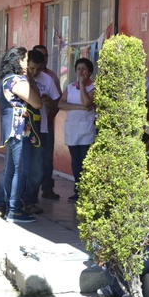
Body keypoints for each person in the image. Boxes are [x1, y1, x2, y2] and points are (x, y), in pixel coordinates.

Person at [97, 154, 149, 297]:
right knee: (99, 244)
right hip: (125, 245)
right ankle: (127, 292)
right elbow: (115, 224)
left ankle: (116, 288)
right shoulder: (126, 194)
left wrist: (139, 244)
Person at [0, 47, 42, 223]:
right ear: (17, 61)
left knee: (10, 169)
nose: (27, 64)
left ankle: (3, 204)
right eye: (25, 59)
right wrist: (29, 81)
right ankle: (14, 210)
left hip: (11, 130)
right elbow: (36, 102)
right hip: (19, 130)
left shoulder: (5, 79)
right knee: (20, 170)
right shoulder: (17, 80)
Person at [23, 49, 60, 214]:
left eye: (38, 69)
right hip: (22, 129)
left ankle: (31, 200)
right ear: (27, 64)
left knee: (38, 167)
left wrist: (49, 102)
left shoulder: (48, 80)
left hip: (41, 129)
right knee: (22, 165)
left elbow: (56, 103)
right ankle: (15, 200)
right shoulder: (20, 79)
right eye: (31, 68)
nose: (34, 72)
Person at [58, 58, 95, 202]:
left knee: (85, 161)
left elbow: (87, 102)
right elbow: (61, 104)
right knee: (76, 161)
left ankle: (86, 191)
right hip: (72, 129)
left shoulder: (94, 87)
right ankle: (78, 190)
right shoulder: (70, 87)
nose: (81, 72)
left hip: (86, 128)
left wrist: (82, 85)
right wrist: (79, 107)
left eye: (84, 69)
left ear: (90, 72)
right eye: (78, 69)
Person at [34, 44, 62, 200]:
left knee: (46, 158)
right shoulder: (27, 75)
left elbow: (58, 101)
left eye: (45, 56)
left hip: (46, 123)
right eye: (40, 55)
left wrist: (50, 115)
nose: (43, 59)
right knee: (32, 158)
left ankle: (47, 188)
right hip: (30, 124)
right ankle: (30, 191)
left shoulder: (51, 77)